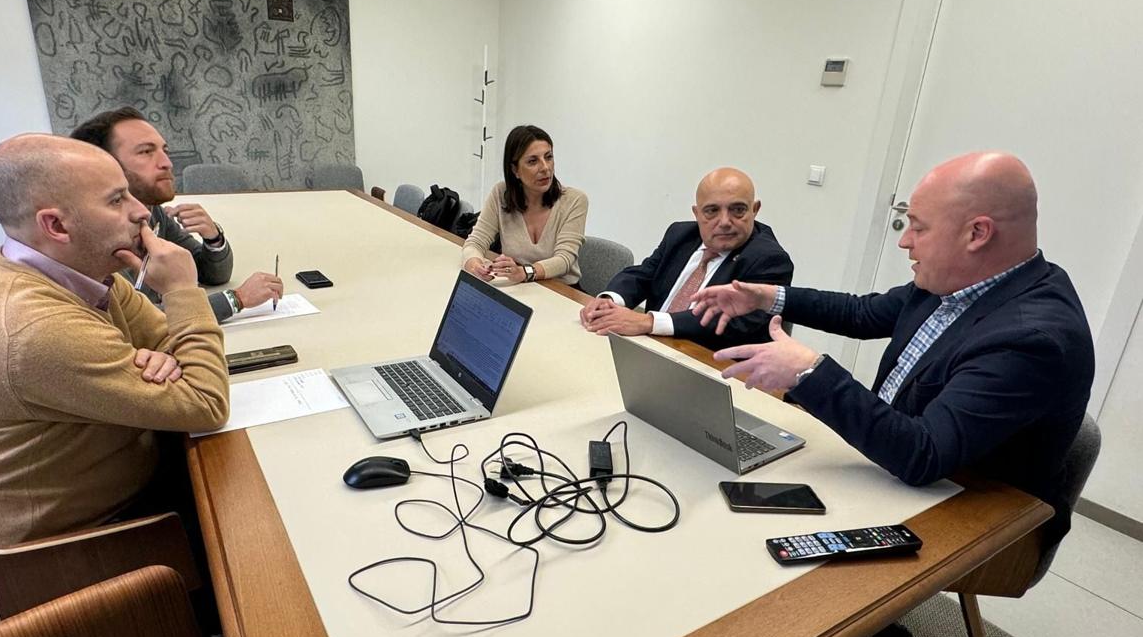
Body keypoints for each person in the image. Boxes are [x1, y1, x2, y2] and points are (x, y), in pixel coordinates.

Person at [692, 151, 1094, 548]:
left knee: (750, 536)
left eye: (917, 228)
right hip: (894, 461)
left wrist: (809, 371)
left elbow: (923, 456)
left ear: (977, 233)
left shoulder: (1032, 339)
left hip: (983, 515)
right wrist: (766, 297)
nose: (904, 241)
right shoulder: (956, 281)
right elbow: (861, 313)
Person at [0, 133, 230, 583]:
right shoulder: (32, 326)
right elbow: (205, 403)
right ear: (56, 226)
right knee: (264, 540)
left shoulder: (78, 269)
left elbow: (170, 345)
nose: (141, 212)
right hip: (53, 562)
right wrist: (181, 290)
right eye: (117, 200)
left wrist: (172, 361)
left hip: (108, 500)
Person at [71, 107, 282, 321]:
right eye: (146, 152)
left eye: (165, 151)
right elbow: (143, 322)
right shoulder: (97, 239)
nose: (167, 163)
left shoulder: (154, 213)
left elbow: (210, 274)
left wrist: (213, 238)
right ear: (104, 165)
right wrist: (237, 299)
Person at [579, 167, 793, 352]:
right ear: (697, 213)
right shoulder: (680, 235)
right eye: (712, 211)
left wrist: (649, 321)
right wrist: (609, 300)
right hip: (647, 348)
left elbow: (733, 324)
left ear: (755, 210)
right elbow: (644, 274)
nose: (725, 221)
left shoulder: (770, 260)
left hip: (708, 366)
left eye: (738, 210)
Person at [461, 124, 588, 286]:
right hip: (520, 286)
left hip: (561, 291)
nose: (545, 168)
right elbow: (475, 242)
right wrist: (474, 266)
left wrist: (525, 272)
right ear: (515, 170)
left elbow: (564, 260)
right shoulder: (501, 193)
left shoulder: (575, 200)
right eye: (533, 161)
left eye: (548, 157)